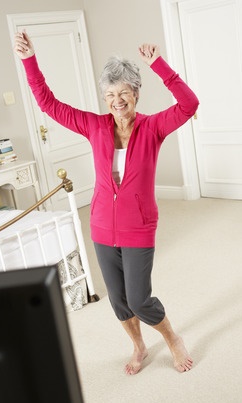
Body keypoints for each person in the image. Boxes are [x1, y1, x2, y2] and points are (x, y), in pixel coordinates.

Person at [14, 31, 199, 375]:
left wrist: (158, 64)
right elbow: (48, 104)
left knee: (140, 299)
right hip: (101, 226)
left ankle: (171, 337)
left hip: (139, 226)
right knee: (118, 300)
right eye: (110, 94)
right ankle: (138, 345)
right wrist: (29, 60)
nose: (117, 100)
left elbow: (189, 105)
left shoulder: (153, 127)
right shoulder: (94, 125)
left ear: (136, 94)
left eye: (124, 92)